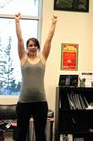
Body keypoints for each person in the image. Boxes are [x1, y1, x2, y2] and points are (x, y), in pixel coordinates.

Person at [14, 13, 58, 141]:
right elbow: (20, 39)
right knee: (21, 133)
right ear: (27, 47)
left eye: (35, 45)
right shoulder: (23, 59)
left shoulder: (42, 58)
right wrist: (17, 22)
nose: (32, 47)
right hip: (23, 102)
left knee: (40, 134)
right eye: (30, 45)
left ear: (38, 47)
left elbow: (48, 40)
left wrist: (53, 23)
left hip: (40, 102)